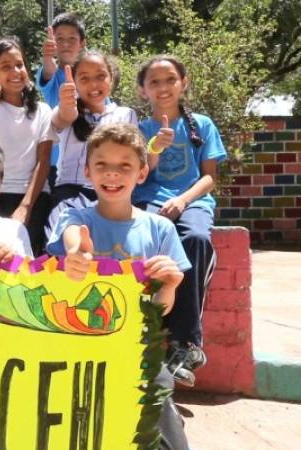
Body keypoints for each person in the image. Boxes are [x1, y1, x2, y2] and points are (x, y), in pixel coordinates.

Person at [47, 122, 190, 450]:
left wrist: (169, 285)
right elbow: (72, 240)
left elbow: (161, 309)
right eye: (102, 165)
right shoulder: (76, 219)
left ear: (141, 173)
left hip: (138, 350)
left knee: (161, 410)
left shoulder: (161, 230)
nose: (112, 174)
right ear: (87, 172)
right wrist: (75, 254)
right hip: (79, 347)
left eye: (124, 165)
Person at [134, 55, 227, 387]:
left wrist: (183, 199)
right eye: (154, 82)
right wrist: (154, 147)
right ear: (143, 91)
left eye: (170, 79)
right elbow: (141, 173)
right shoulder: (141, 129)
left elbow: (209, 177)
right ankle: (139, 332)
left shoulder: (201, 125)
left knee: (196, 238)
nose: (163, 87)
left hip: (193, 201)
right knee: (139, 244)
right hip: (148, 203)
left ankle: (185, 344)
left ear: (183, 83)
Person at [0, 37, 56, 255]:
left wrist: (26, 207)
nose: (15, 71)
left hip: (34, 196)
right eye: (6, 67)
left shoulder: (43, 111)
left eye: (19, 65)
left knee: (23, 259)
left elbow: (43, 162)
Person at [45, 50, 137, 240]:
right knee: (60, 237)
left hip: (112, 190)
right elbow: (61, 119)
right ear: (75, 83)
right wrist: (66, 105)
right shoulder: (66, 111)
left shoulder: (126, 115)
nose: (94, 84)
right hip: (70, 192)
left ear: (111, 78)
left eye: (101, 76)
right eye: (84, 78)